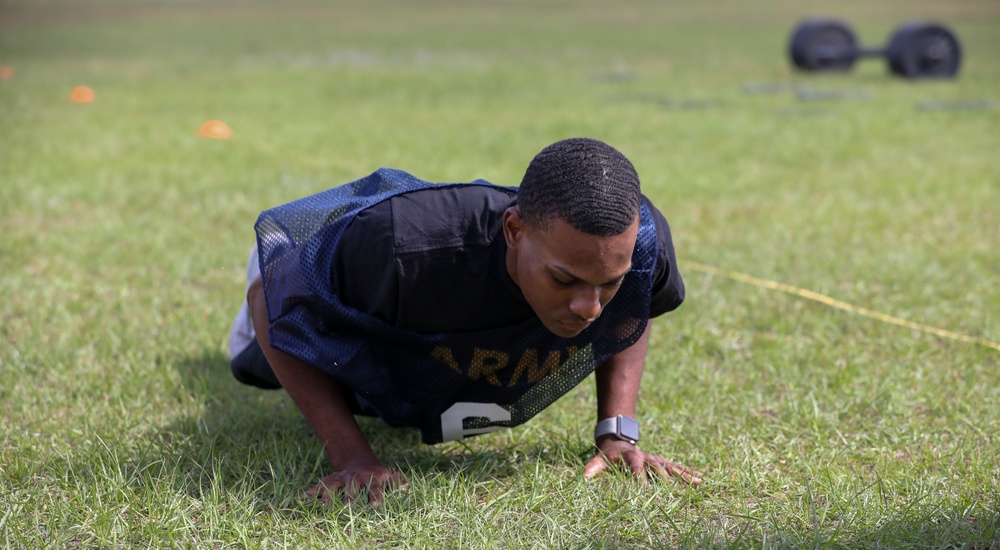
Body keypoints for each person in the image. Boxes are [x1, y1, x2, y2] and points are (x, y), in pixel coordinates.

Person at [227, 137, 701, 506]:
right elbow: (270, 304)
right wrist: (352, 457)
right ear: (514, 231)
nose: (590, 307)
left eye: (607, 283)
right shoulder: (401, 247)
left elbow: (633, 306)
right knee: (279, 315)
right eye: (565, 280)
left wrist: (616, 433)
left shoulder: (637, 246)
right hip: (315, 269)